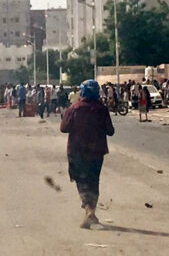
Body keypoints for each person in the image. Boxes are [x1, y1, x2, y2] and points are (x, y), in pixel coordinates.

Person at [60, 79, 115, 229]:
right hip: (97, 151)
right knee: (94, 181)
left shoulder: (74, 108)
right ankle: (90, 213)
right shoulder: (102, 109)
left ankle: (89, 211)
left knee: (81, 181)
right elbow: (111, 131)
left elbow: (63, 128)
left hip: (77, 151)